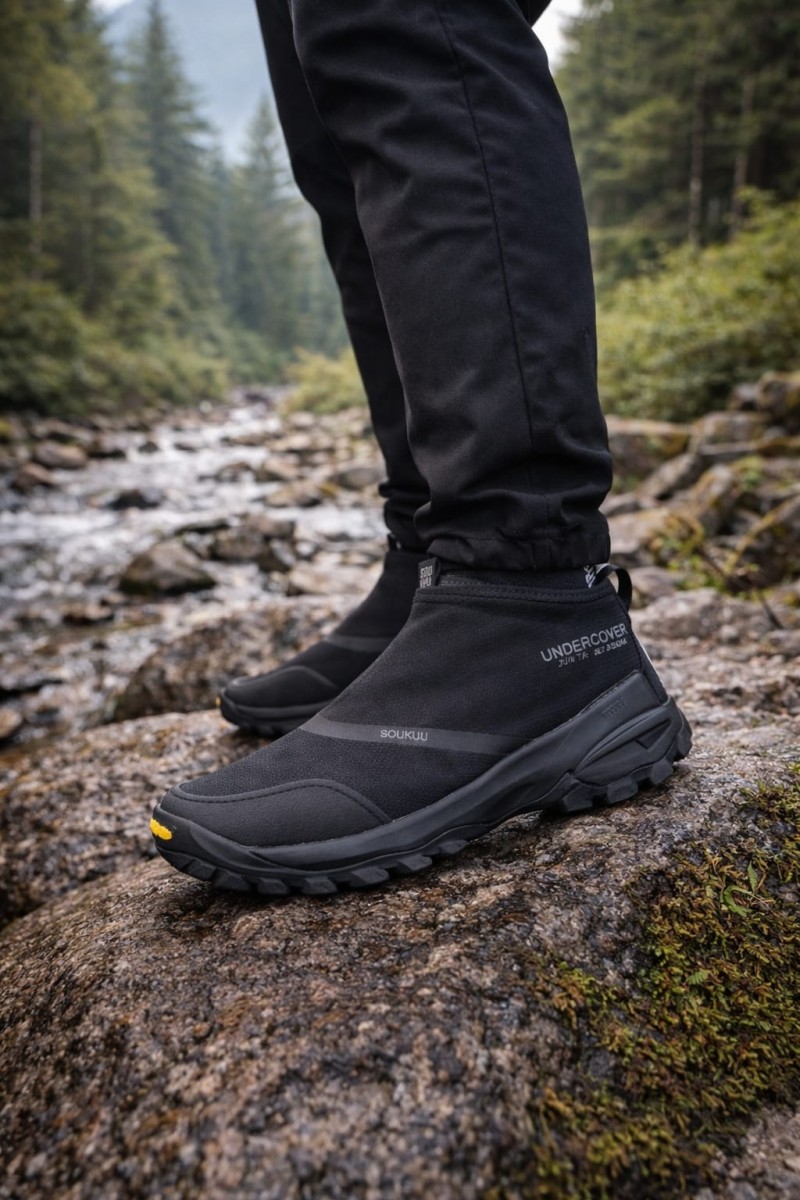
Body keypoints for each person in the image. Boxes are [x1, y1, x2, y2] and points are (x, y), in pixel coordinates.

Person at [149, 0, 691, 895]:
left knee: (408, 25)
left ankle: (524, 593)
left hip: (527, 585)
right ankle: (431, 563)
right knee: (330, 113)